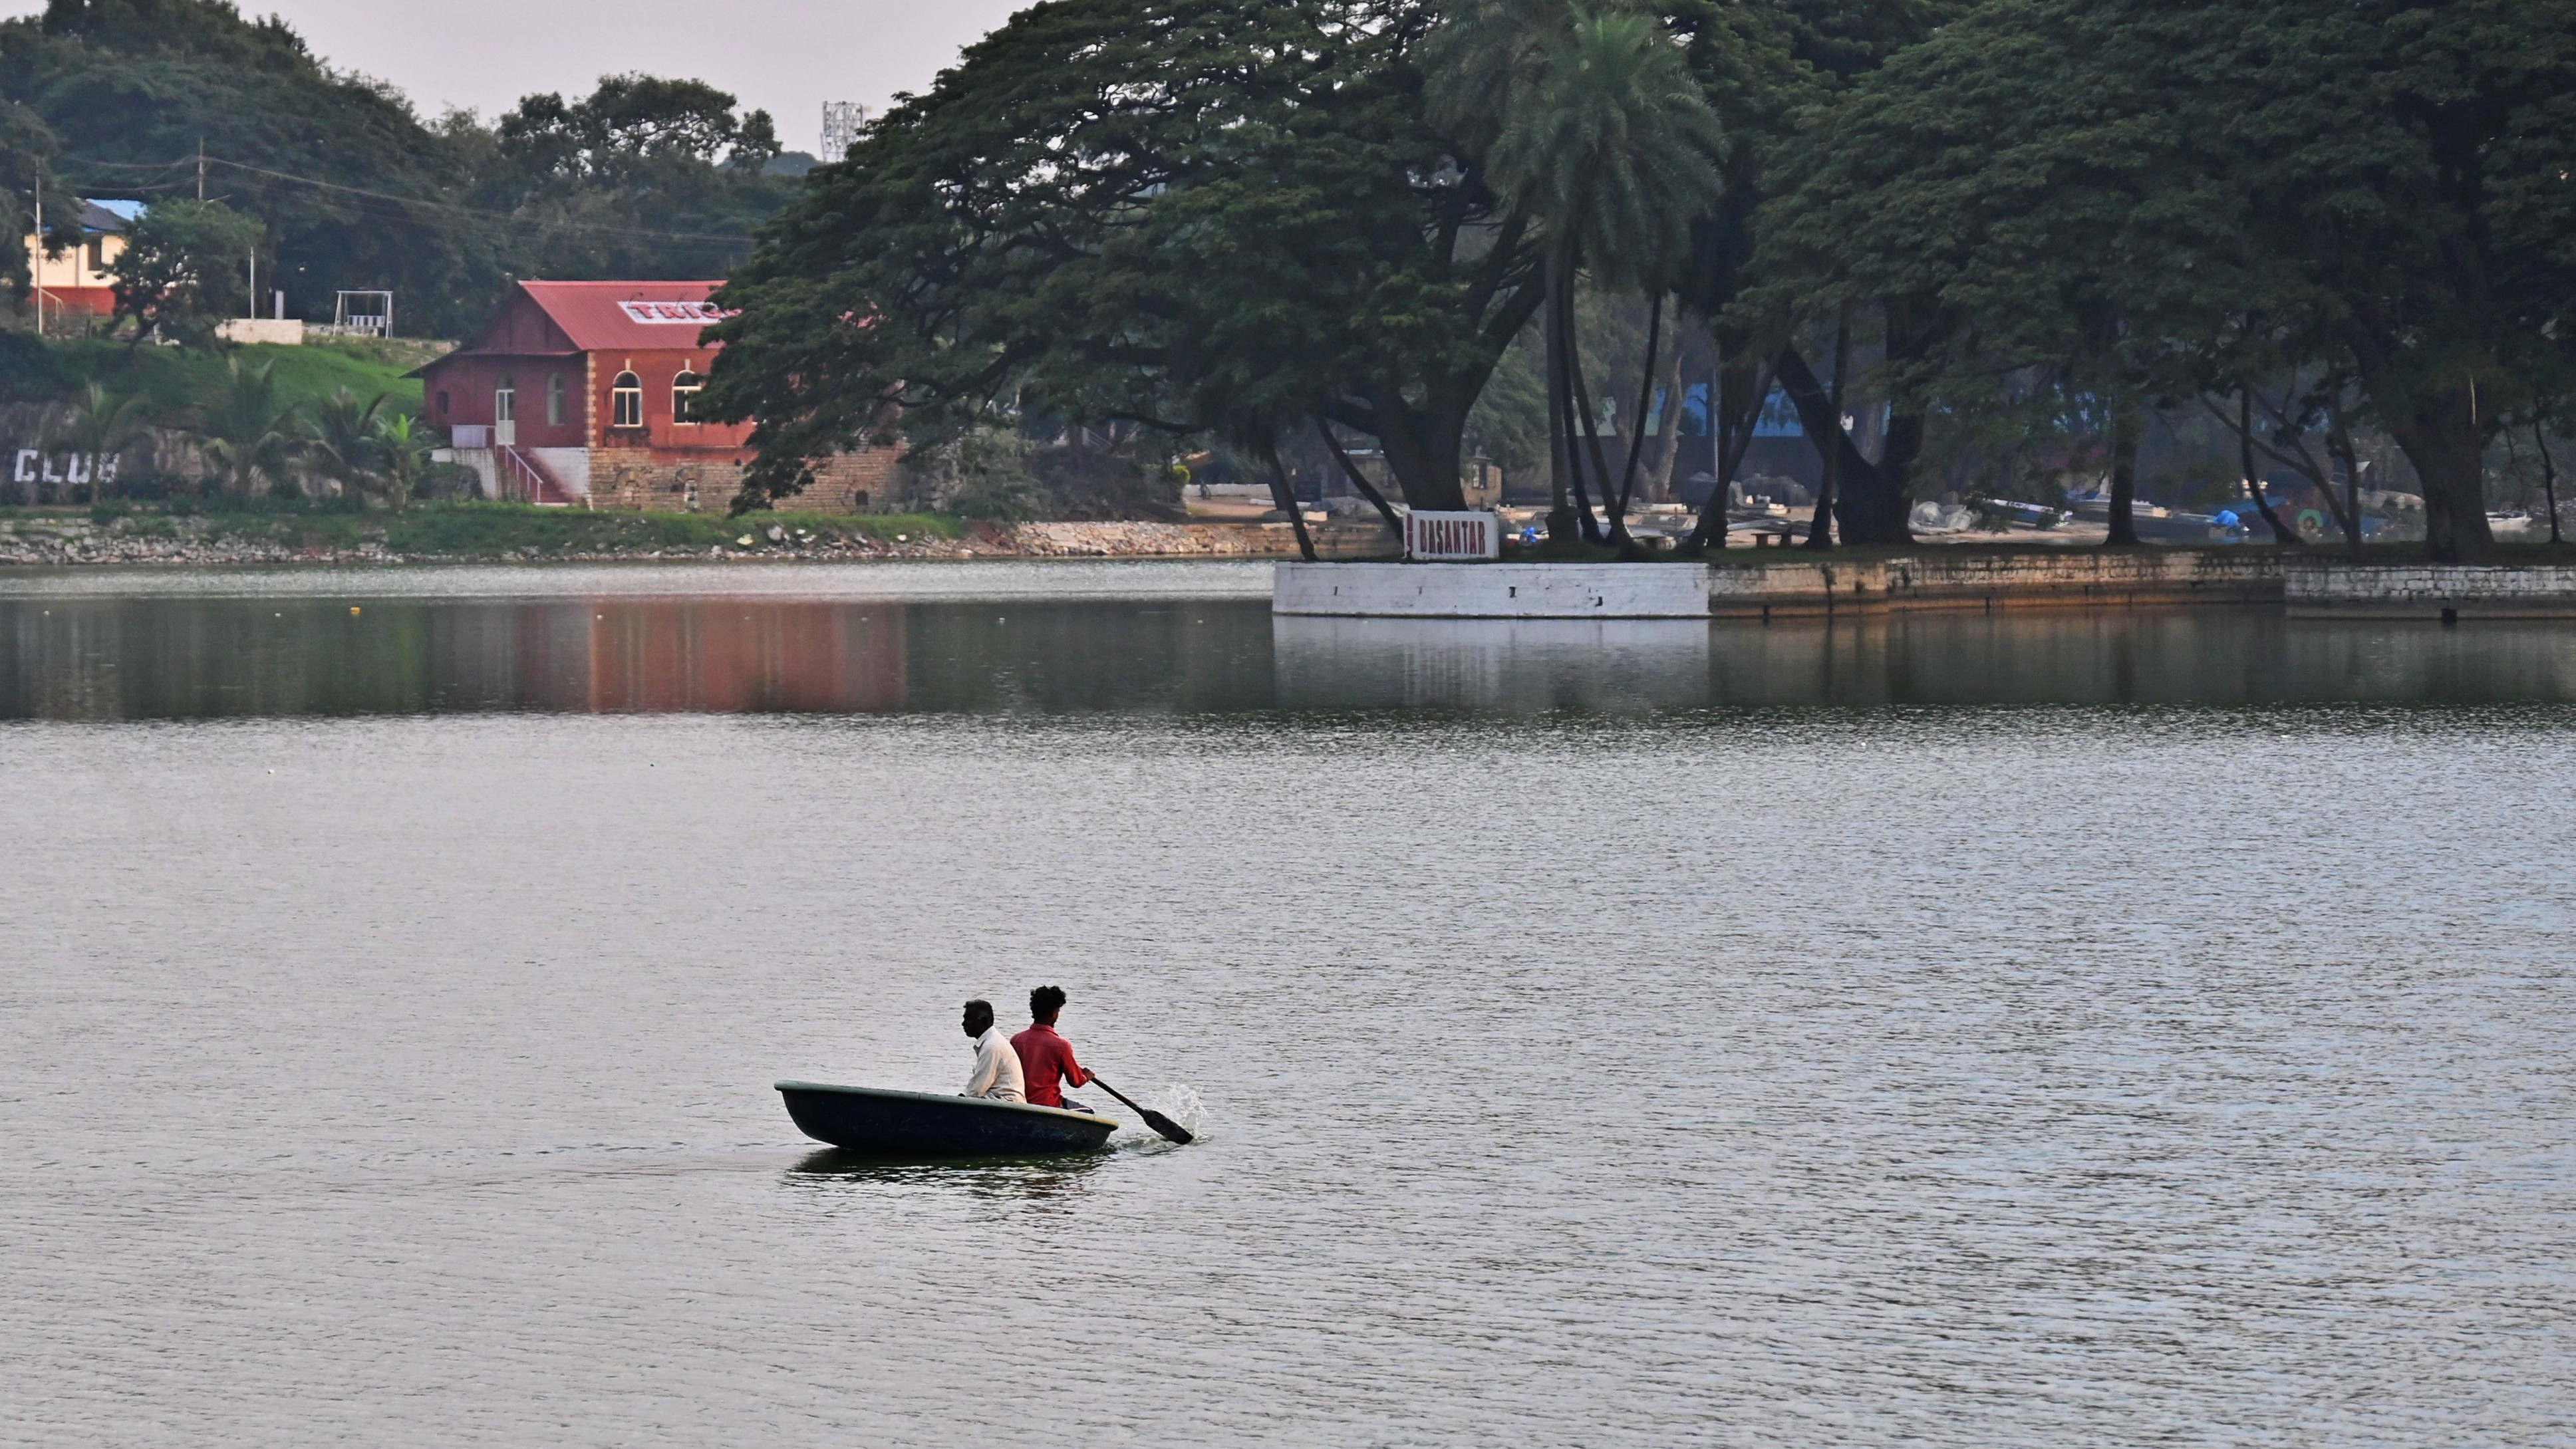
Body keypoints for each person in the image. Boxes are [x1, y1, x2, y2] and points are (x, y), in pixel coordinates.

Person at [1011, 985, 1094, 1111]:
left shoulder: (1016, 1040)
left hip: (1020, 1102)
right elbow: (1076, 1081)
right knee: (1089, 1113)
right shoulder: (1062, 1046)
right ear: (1053, 1013)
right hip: (1049, 1105)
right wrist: (1087, 1076)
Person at [960, 998, 1026, 1103]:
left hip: (1007, 1104)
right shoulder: (992, 1041)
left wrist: (957, 1101)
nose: (963, 1024)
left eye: (969, 1019)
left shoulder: (991, 1046)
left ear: (984, 1021)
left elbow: (977, 1089)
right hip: (1001, 1102)